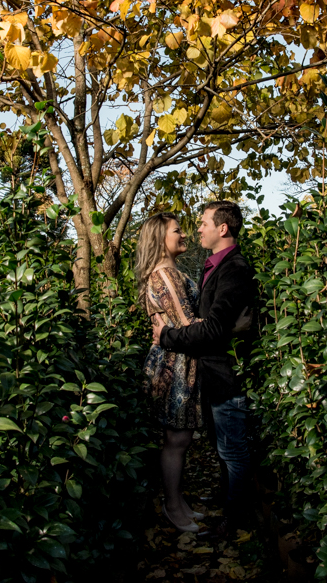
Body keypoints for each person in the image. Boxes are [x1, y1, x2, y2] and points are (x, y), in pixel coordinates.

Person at [152, 200, 258, 541]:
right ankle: (229, 500)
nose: (197, 228)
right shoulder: (213, 265)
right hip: (211, 374)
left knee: (233, 450)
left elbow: (213, 329)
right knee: (223, 446)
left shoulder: (234, 268)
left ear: (222, 228)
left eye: (202, 223)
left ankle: (234, 519)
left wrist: (167, 335)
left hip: (226, 375)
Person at [135, 212, 207, 533]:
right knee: (176, 439)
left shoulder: (169, 272)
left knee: (178, 439)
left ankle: (178, 501)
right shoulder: (164, 275)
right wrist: (222, 324)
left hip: (177, 358)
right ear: (160, 239)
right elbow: (186, 325)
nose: (184, 235)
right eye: (177, 231)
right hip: (174, 364)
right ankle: (173, 507)